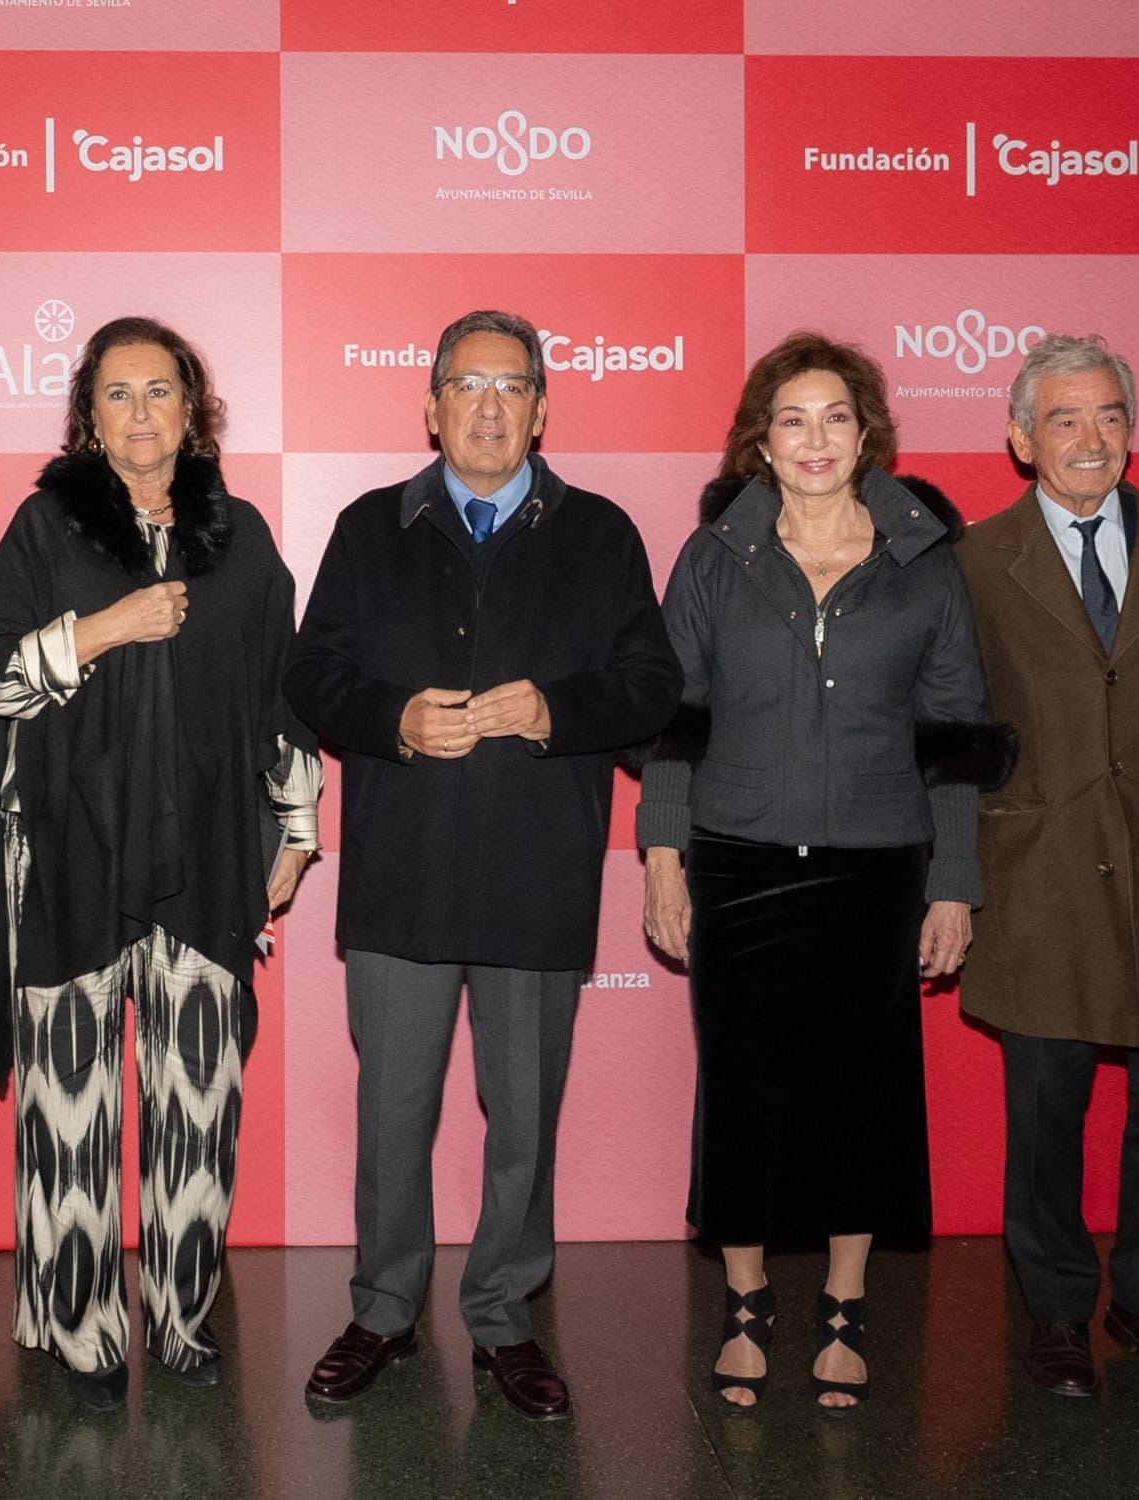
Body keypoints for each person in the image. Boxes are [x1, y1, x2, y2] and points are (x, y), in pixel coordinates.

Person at [288, 309, 682, 1422]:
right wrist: (395, 719)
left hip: (536, 879)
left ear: (544, 409)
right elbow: (311, 678)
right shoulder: (372, 529)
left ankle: (506, 1317)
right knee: (392, 1116)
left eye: (513, 387)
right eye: (469, 385)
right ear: (432, 405)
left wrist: (560, 709)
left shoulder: (601, 535)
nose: (491, 407)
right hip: (401, 884)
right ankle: (382, 1311)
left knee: (525, 1117)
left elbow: (652, 687)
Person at [635, 331, 1013, 1410]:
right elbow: (673, 728)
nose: (814, 439)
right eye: (791, 419)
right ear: (762, 438)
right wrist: (663, 858)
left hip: (879, 866)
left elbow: (952, 733)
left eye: (835, 417)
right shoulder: (715, 557)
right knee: (746, 1087)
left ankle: (845, 1307)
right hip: (738, 859)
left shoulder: (922, 557)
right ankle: (747, 1302)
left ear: (866, 433)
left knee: (863, 1095)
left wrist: (955, 879)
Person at [0, 316, 319, 1412]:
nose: (142, 412)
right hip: (71, 860)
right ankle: (80, 1328)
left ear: (194, 409)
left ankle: (181, 1313)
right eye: (118, 394)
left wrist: (295, 830)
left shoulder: (242, 537)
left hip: (207, 865)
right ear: (88, 417)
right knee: (69, 1113)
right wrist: (100, 630)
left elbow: (281, 695)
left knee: (199, 1107)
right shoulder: (44, 529)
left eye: (161, 390)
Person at [957, 334, 1139, 1403]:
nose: (1091, 437)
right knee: (1046, 1110)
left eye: (1110, 414)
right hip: (1039, 871)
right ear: (1022, 438)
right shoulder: (975, 561)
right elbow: (968, 719)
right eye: (1065, 418)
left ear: (1132, 427)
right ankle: (1060, 1314)